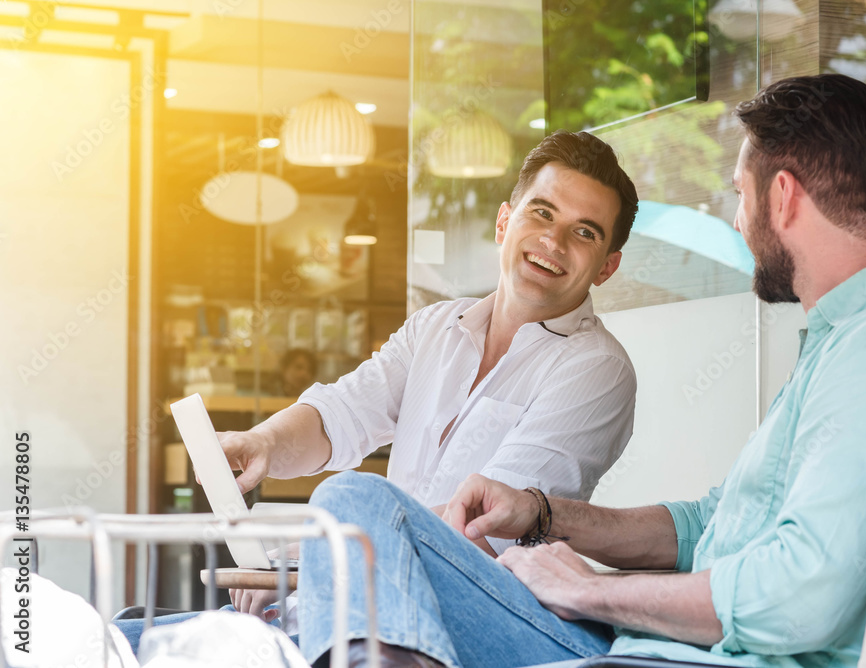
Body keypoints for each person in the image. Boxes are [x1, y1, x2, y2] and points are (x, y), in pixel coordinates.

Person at [295, 73, 866, 668]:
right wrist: (542, 516)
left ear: (781, 196)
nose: (737, 218)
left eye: (740, 194)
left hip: (676, 659)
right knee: (338, 555)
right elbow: (705, 527)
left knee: (355, 509)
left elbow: (801, 599)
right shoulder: (854, 344)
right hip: (653, 647)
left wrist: (587, 592)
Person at [114, 130, 640, 650]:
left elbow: (485, 524)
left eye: (585, 232)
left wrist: (309, 558)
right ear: (505, 221)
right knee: (112, 638)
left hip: (452, 628)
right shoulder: (436, 325)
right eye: (541, 213)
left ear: (607, 267)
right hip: (339, 600)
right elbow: (341, 412)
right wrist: (265, 444)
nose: (553, 241)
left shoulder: (597, 369)